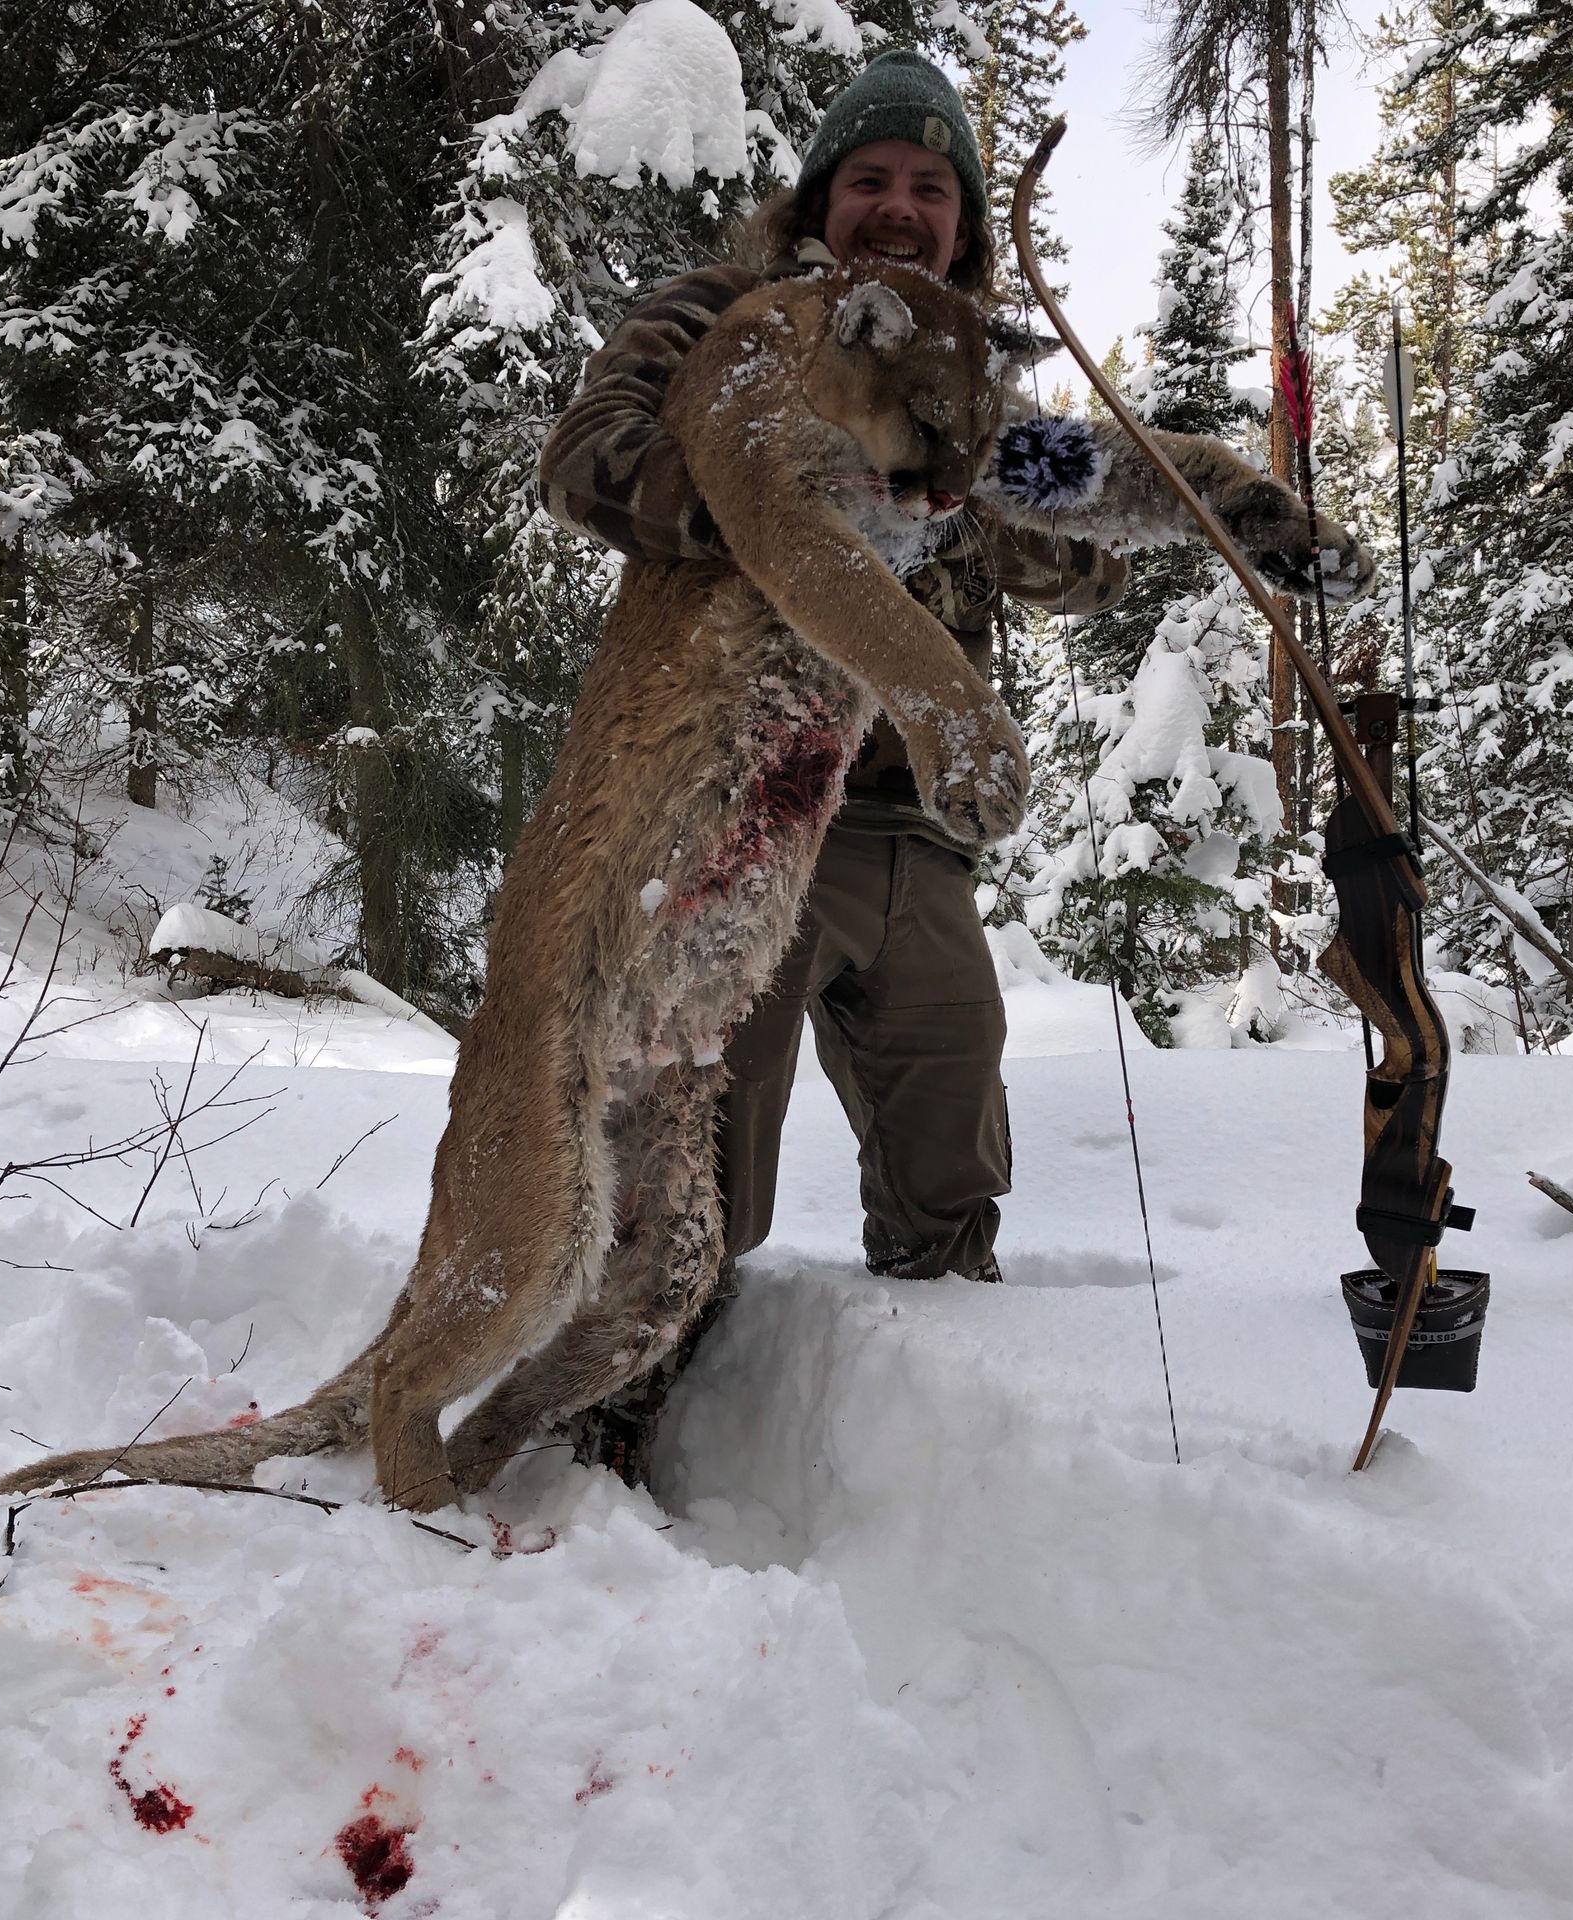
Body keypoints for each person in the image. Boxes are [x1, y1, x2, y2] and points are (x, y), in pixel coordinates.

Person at [538, 50, 1283, 1478]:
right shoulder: (728, 320)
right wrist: (789, 494)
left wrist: (1018, 485)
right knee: (696, 1148)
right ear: (821, 200)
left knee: (949, 1156)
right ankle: (603, 1425)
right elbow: (587, 462)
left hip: (911, 830)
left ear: (964, 222)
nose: (898, 205)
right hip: (743, 808)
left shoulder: (968, 368)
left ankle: (933, 1448)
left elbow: (1080, 564)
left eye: (930, 187)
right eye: (869, 179)